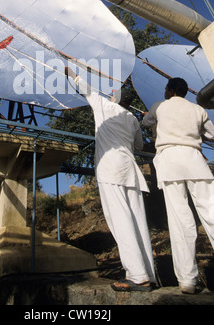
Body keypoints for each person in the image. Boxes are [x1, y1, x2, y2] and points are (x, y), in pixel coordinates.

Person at [65, 66, 156, 292]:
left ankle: (137, 275)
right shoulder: (133, 120)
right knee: (137, 222)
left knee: (121, 221)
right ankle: (147, 273)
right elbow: (138, 147)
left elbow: (86, 90)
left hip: (110, 170)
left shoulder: (105, 106)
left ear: (116, 98)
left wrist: (70, 73)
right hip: (130, 171)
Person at [143, 77, 214, 294]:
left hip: (170, 161)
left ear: (171, 90)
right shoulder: (198, 109)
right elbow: (211, 135)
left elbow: (146, 123)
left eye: (166, 88)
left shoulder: (159, 106)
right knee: (211, 213)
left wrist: (153, 119)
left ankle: (188, 281)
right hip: (194, 160)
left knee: (181, 220)